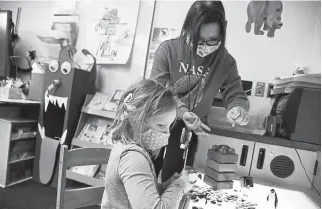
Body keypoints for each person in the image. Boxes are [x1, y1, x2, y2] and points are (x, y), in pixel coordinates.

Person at [150, 0, 250, 183]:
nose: (205, 46)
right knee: (146, 174)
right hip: (158, 120)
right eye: (198, 39)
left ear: (223, 29)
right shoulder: (168, 50)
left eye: (213, 39)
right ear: (187, 28)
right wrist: (182, 111)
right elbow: (159, 92)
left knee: (174, 179)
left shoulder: (225, 61)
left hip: (189, 128)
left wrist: (237, 108)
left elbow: (235, 93)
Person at [101, 79, 193, 209]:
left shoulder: (128, 148)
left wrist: (167, 186)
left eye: (169, 127)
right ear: (135, 119)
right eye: (161, 125)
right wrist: (180, 186)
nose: (167, 133)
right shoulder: (133, 158)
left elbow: (141, 195)